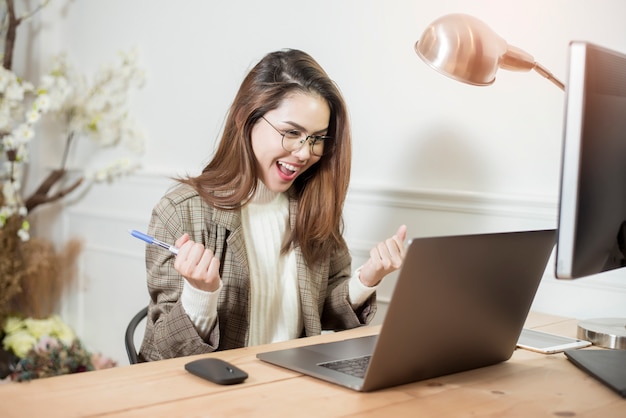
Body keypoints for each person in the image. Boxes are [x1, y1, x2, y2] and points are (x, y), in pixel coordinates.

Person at [138, 49, 407, 362]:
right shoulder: (181, 211)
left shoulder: (310, 207)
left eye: (317, 138)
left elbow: (327, 314)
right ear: (245, 117)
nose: (305, 153)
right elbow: (161, 353)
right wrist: (200, 293)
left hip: (292, 389)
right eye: (292, 133)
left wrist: (368, 278)